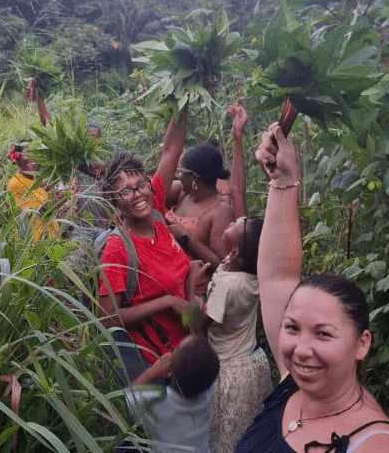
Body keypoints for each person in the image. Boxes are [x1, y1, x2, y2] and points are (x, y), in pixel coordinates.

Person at [233, 123, 389, 453]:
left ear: (361, 344)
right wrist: (283, 181)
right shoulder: (294, 385)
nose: (302, 348)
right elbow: (276, 277)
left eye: (323, 334)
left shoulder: (377, 446)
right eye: (292, 328)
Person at [98, 109, 211, 385]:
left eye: (141, 185)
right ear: (115, 203)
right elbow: (108, 319)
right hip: (157, 370)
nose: (137, 194)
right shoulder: (117, 248)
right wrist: (168, 302)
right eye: (125, 191)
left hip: (189, 357)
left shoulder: (157, 213)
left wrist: (185, 91)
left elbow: (172, 148)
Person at [203, 215, 271, 453]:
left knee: (227, 442)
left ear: (234, 250)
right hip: (250, 360)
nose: (230, 223)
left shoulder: (230, 286)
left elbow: (198, 324)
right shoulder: (243, 269)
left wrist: (191, 284)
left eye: (234, 226)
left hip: (231, 373)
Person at [165, 102, 248, 285]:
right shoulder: (182, 193)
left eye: (181, 172)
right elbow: (156, 186)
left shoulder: (221, 211)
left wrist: (186, 237)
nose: (177, 175)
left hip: (196, 296)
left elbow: (222, 264)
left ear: (194, 178)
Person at [125, 335, 220, 453]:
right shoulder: (207, 393)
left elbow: (120, 401)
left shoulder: (156, 402)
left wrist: (152, 372)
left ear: (170, 370)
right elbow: (201, 366)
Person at [6, 143, 60, 241]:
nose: (34, 158)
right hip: (33, 243)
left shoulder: (39, 182)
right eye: (29, 153)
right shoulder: (15, 183)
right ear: (18, 157)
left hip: (50, 240)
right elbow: (32, 211)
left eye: (37, 154)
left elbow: (53, 208)